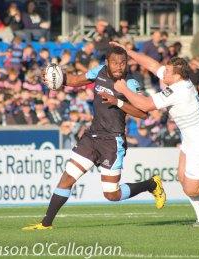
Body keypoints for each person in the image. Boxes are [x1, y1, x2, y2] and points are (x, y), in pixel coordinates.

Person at [107, 42, 199, 227]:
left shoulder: (178, 90)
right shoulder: (179, 80)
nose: (163, 73)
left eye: (167, 71)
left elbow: (145, 105)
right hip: (190, 138)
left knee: (191, 189)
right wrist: (129, 52)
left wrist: (124, 90)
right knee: (182, 178)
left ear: (177, 75)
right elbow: (152, 65)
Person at [22, 46, 166, 231]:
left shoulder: (130, 83)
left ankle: (151, 184)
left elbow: (144, 113)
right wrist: (55, 77)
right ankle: (46, 223)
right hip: (92, 137)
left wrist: (118, 102)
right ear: (107, 62)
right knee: (67, 178)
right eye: (115, 62)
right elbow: (74, 80)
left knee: (111, 195)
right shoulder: (99, 71)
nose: (119, 67)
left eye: (123, 63)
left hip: (112, 142)